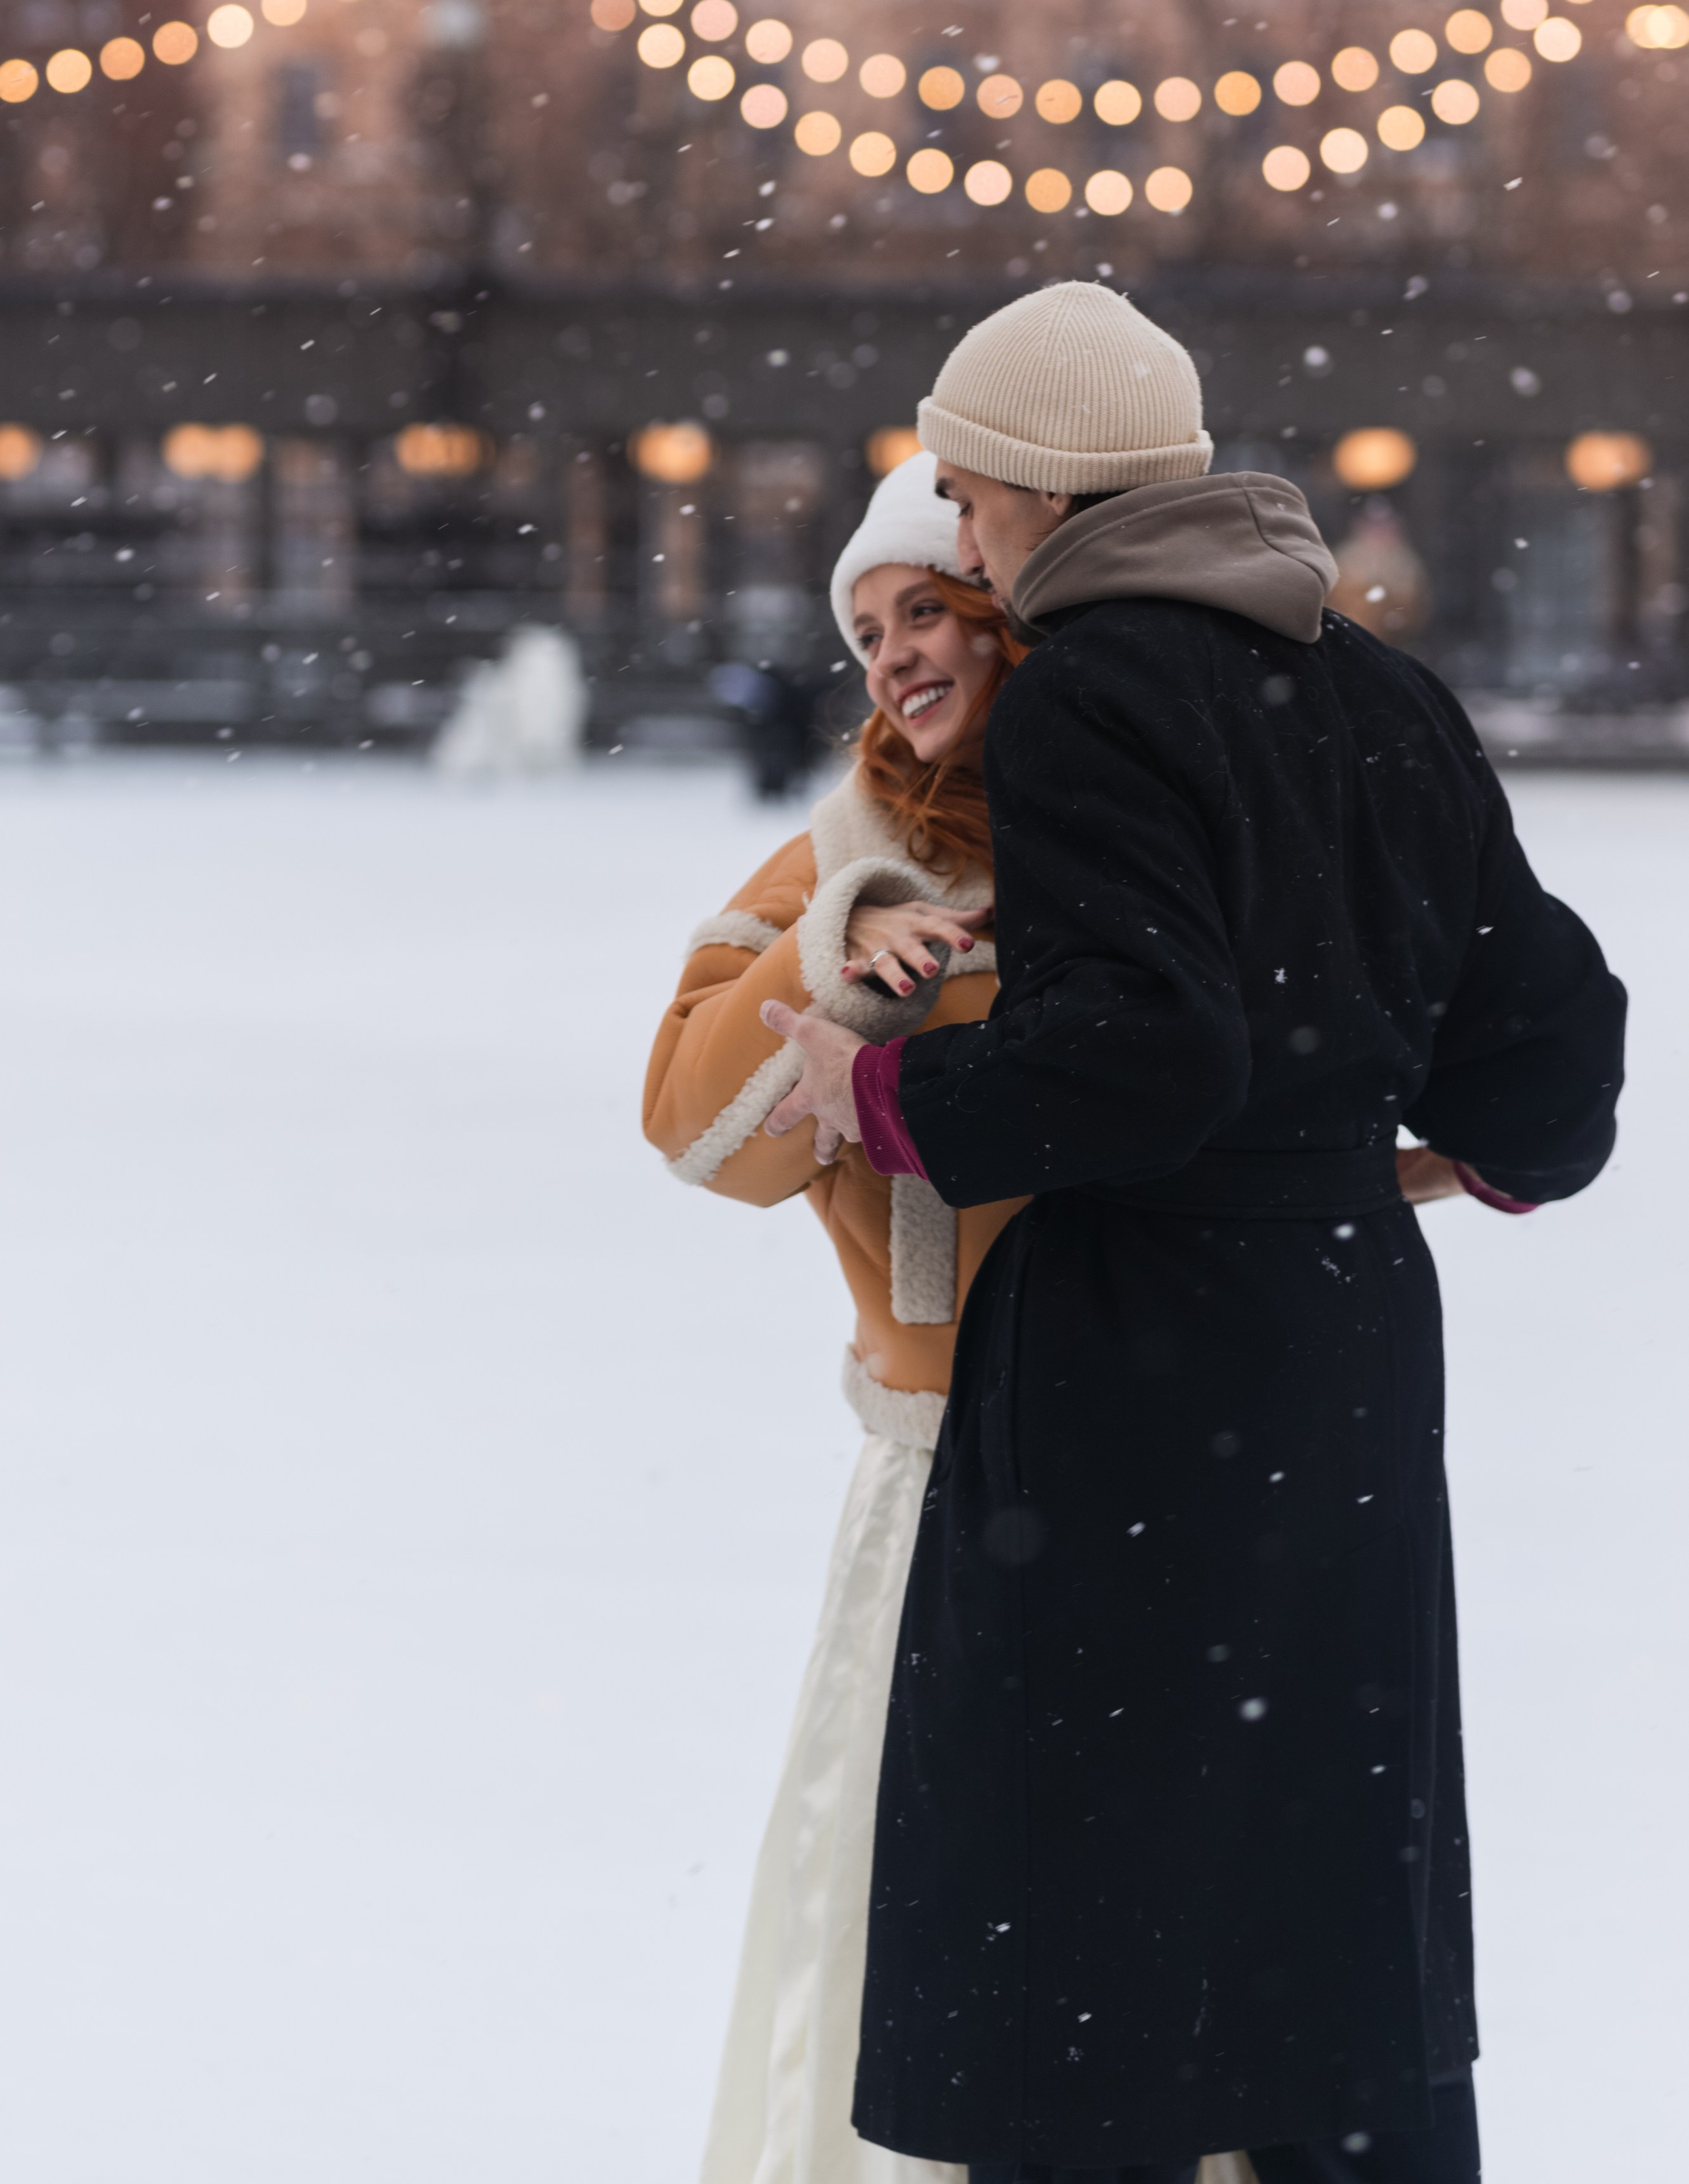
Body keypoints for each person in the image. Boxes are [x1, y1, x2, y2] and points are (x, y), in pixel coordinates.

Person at [762, 282, 1627, 2184]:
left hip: (1133, 1358)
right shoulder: (1376, 687)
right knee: (1327, 1878)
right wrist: (1435, 1164)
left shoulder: (1090, 690)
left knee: (1087, 1910)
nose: (959, 530)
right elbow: (1557, 1049)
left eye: (966, 494)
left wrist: (885, 1093)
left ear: (1036, 487)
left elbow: (1143, 1055)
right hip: (1346, 1353)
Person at [645, 448, 1024, 2184]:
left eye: (923, 608)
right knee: (918, 1934)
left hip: (1161, 1453)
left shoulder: (1149, 832)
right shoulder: (836, 857)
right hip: (945, 1487)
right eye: (865, 630)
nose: (890, 655)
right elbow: (696, 1133)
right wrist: (842, 952)